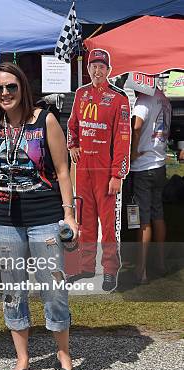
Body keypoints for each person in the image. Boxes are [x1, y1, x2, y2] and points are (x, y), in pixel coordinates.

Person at [0, 62, 80, 370]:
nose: (4, 93)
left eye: (11, 87)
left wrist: (69, 214)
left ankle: (64, 355)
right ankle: (22, 358)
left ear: (23, 88)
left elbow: (63, 170)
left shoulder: (45, 120)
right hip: (4, 220)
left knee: (53, 288)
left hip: (44, 217)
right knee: (13, 290)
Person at [67, 49, 131, 292]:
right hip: (83, 169)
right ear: (88, 69)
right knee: (84, 220)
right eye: (93, 66)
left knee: (108, 223)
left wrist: (117, 174)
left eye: (101, 67)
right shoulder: (81, 94)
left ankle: (110, 270)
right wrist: (72, 144)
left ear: (109, 70)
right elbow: (73, 124)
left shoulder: (118, 98)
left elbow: (123, 139)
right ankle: (85, 267)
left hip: (106, 171)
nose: (97, 70)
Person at [130, 87, 171, 283]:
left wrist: (133, 151)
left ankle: (141, 270)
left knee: (143, 219)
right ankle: (161, 263)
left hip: (144, 166)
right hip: (160, 163)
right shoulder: (164, 99)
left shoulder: (144, 100)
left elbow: (136, 126)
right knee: (158, 214)